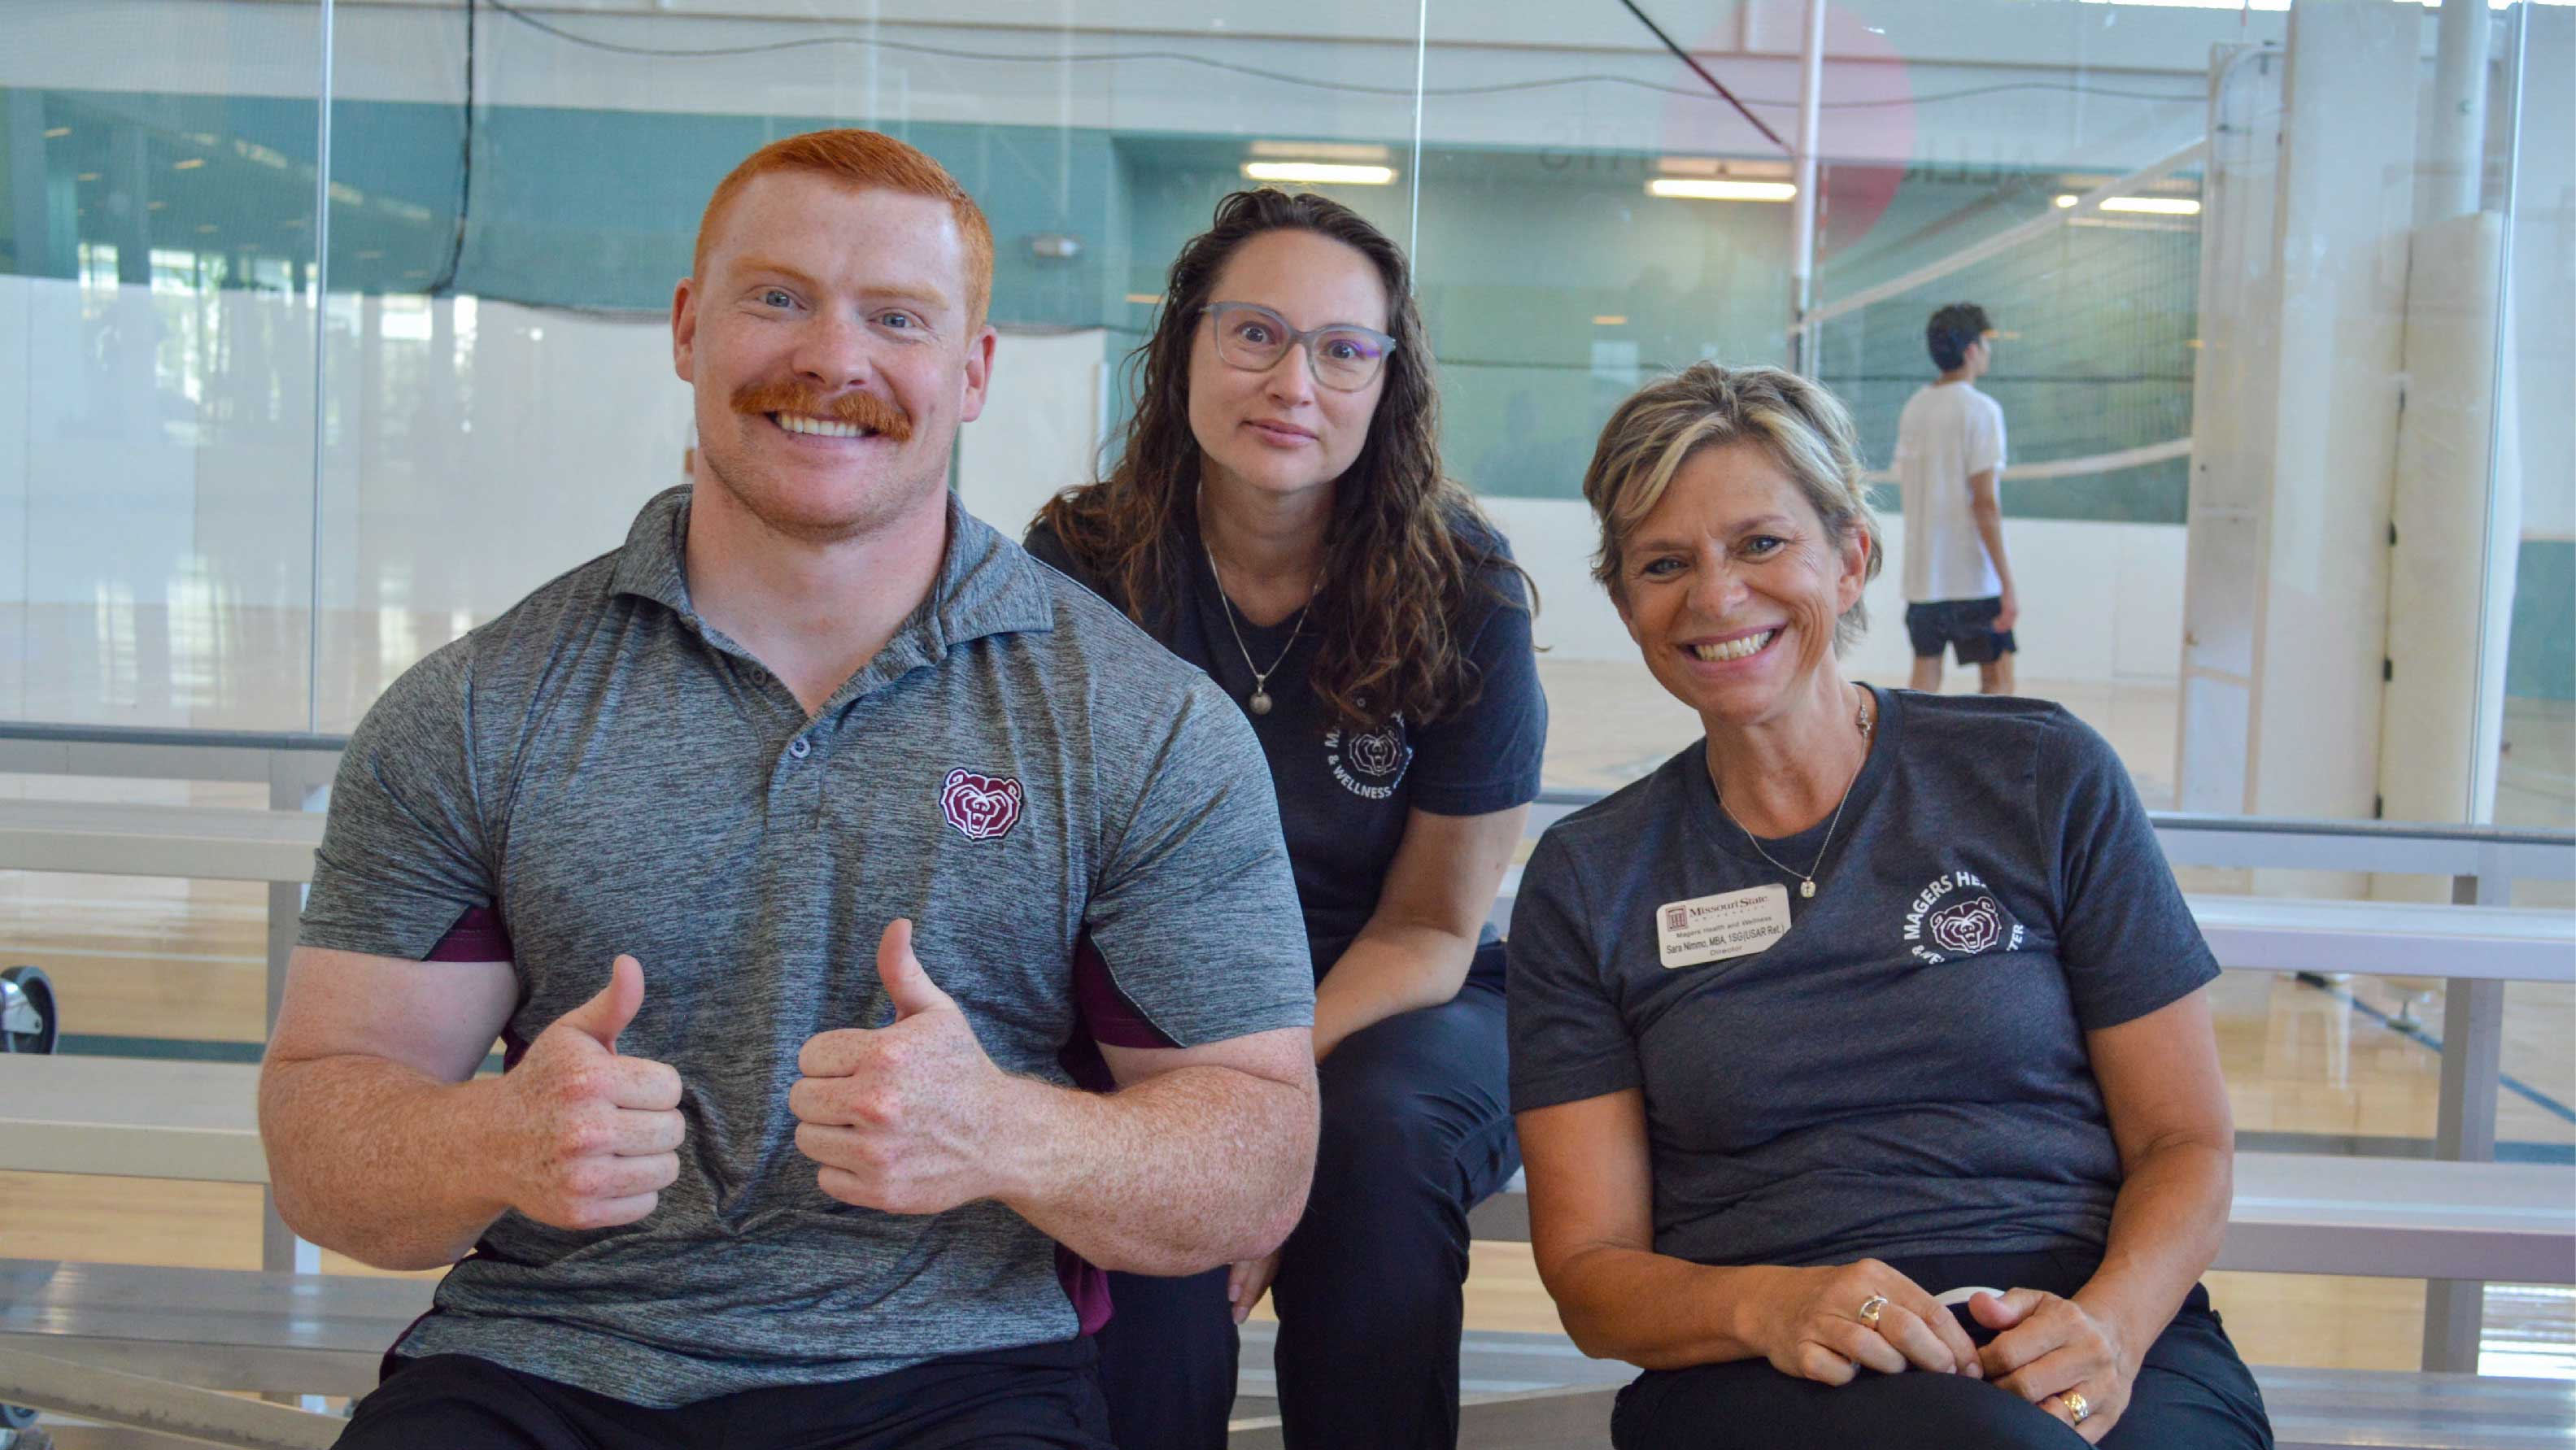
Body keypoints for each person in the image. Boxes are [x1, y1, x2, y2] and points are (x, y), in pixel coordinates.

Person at [257, 129, 1322, 1450]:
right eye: (778, 298)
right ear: (689, 327)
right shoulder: (479, 706)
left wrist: (1002, 1132)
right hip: (544, 1362)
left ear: (972, 369)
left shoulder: (1141, 724)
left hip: (954, 1375)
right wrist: (490, 1140)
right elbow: (321, 1127)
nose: (834, 357)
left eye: (896, 316)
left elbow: (1260, 1156)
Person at [1506, 362, 2271, 1448]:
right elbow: (1589, 1274)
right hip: (1771, 1357)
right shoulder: (1593, 874)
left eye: (1760, 542)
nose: (1715, 595)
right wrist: (1767, 1300)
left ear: (1850, 555)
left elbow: (2185, 1140)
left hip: (2082, 1317)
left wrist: (2106, 1326)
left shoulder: (2036, 774)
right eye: (1662, 562)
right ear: (1627, 601)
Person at [1026, 188, 1546, 1450]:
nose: (1291, 380)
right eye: (1253, 332)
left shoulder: (1461, 588)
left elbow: (1430, 920)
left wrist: (1260, 1088)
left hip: (1386, 995)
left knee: (1372, 1148)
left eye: (1340, 347)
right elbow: (1035, 886)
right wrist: (1189, 1101)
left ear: (1386, 381)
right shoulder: (1083, 560)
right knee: (1147, 1197)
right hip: (1146, 999)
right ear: (1187, 348)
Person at [1894, 302, 2019, 695]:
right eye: (1986, 342)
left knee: (1924, 679)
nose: (1989, 351)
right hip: (1973, 579)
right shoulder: (1982, 410)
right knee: (1998, 679)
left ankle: (1915, 758)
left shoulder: (1914, 408)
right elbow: (1985, 504)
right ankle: (1997, 758)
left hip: (1924, 579)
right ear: (1970, 350)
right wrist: (2007, 582)